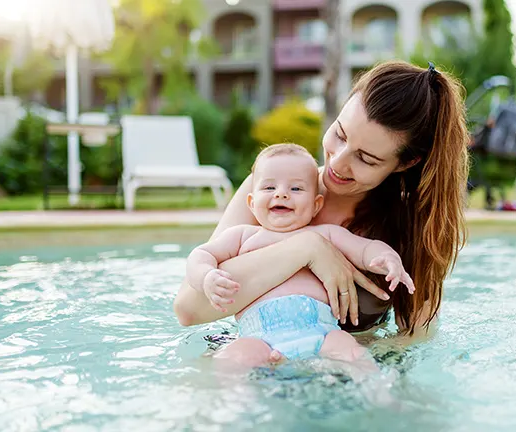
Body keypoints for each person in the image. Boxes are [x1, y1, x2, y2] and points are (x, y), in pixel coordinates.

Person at [174, 59, 469, 350]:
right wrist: (309, 248)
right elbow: (189, 310)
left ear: (405, 163)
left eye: (366, 158)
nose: (337, 162)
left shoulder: (413, 224)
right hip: (260, 355)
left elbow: (414, 337)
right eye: (340, 134)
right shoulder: (268, 190)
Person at [185, 143, 415, 367]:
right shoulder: (243, 236)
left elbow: (365, 249)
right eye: (269, 188)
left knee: (352, 351)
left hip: (322, 335)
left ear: (316, 205)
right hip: (258, 339)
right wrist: (206, 277)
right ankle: (236, 402)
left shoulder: (326, 234)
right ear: (252, 203)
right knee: (234, 357)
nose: (282, 194)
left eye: (295, 189)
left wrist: (388, 258)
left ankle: (378, 394)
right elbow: (201, 254)